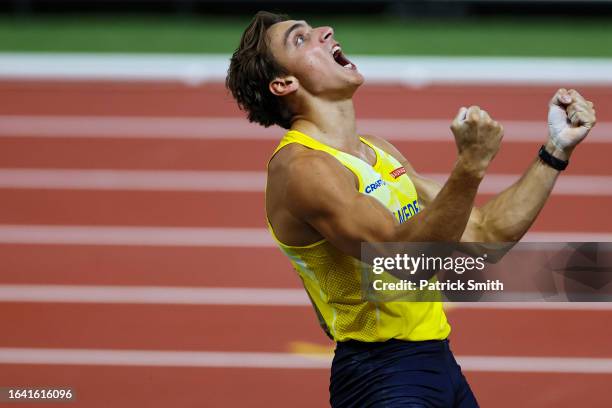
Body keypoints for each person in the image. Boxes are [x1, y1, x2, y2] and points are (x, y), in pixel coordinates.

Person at [225, 11, 597, 408]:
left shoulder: (378, 151)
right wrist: (469, 166)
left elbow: (487, 235)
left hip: (435, 360)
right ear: (284, 84)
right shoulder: (302, 169)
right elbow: (406, 260)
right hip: (381, 375)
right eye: (300, 40)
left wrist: (555, 150)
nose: (325, 31)